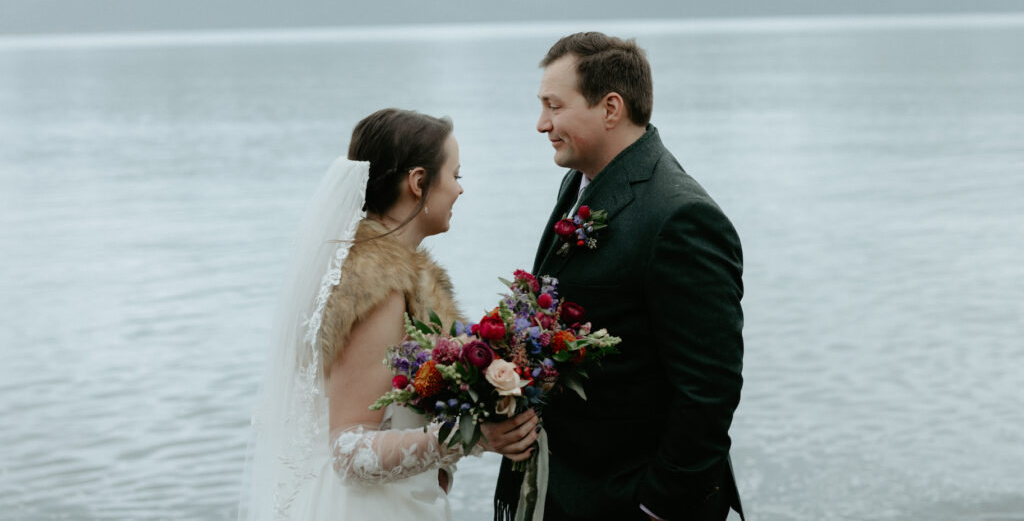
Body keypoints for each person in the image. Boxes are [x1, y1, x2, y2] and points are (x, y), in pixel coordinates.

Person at [487, 33, 745, 521]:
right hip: (568, 485)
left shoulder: (680, 217)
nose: (542, 124)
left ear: (610, 108)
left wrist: (656, 507)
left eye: (553, 106)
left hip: (628, 497)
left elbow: (709, 389)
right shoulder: (579, 182)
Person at [239, 108, 538, 521]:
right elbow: (347, 448)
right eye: (456, 175)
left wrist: (441, 473)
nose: (459, 190)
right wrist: (469, 438)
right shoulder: (377, 286)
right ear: (418, 182)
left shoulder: (381, 273)